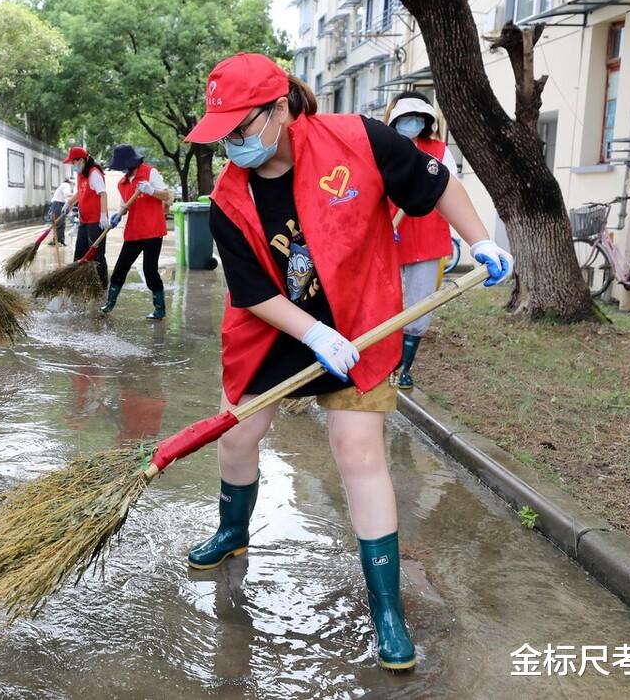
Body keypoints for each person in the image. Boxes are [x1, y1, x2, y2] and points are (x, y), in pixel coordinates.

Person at [184, 53, 512, 671]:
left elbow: (436, 182)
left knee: (358, 452)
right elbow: (253, 291)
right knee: (237, 435)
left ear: (279, 110)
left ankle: (387, 608)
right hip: (275, 326)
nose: (231, 146)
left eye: (240, 130)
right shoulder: (229, 194)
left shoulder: (357, 139)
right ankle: (232, 531)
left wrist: (480, 238)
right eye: (221, 134)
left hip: (360, 316)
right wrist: (312, 333)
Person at [385, 91, 458, 389]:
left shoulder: (439, 152)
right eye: (406, 118)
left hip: (426, 237)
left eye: (417, 118)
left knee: (419, 305)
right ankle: (377, 362)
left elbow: (451, 191)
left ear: (427, 120)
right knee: (382, 302)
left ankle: (402, 368)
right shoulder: (383, 146)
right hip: (387, 233)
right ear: (395, 119)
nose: (412, 123)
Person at [100, 145, 172, 319]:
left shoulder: (150, 173)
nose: (122, 169)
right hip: (133, 231)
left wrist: (151, 190)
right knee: (119, 269)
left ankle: (159, 309)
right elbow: (125, 205)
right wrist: (117, 215)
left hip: (153, 230)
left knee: (150, 271)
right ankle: (109, 304)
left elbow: (166, 196)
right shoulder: (122, 183)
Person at [63, 146, 110, 286]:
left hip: (97, 221)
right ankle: (78, 283)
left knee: (97, 256)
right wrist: (69, 203)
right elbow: (80, 192)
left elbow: (103, 194)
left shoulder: (93, 173)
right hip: (85, 220)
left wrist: (103, 215)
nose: (73, 166)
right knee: (80, 253)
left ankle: (101, 286)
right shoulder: (81, 174)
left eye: (73, 163)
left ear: (81, 161)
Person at [48, 174, 74, 246]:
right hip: (57, 205)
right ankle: (57, 241)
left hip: (59, 204)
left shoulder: (66, 185)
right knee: (59, 223)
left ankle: (59, 240)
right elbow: (67, 194)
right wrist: (76, 194)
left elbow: (68, 200)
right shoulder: (66, 185)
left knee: (61, 223)